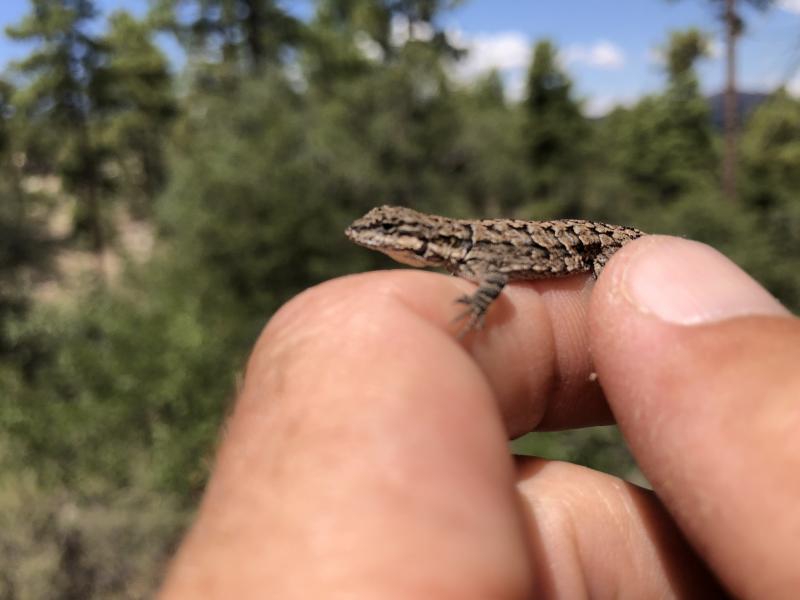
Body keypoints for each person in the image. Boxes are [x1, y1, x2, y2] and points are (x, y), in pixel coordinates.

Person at [159, 236, 798, 598]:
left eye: (387, 237)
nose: (376, 243)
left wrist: (483, 301)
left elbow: (493, 283)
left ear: (418, 243)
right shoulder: (463, 251)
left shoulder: (474, 256)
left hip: (604, 251)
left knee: (622, 304)